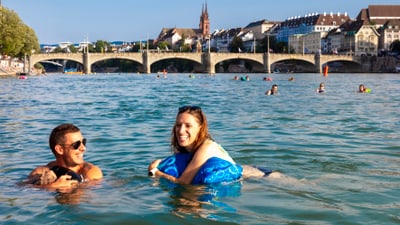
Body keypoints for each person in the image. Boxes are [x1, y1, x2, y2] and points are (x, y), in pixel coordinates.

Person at [148, 106, 281, 185]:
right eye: (178, 125)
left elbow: (183, 182)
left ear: (200, 128)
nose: (181, 130)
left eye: (188, 126)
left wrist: (157, 172)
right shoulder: (188, 150)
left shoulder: (206, 147)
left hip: (265, 176)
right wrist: (157, 162)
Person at [26, 123, 103, 188]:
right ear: (60, 149)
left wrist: (51, 186)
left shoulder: (91, 172)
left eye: (83, 142)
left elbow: (85, 195)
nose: (83, 148)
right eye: (76, 144)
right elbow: (22, 189)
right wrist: (53, 185)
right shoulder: (41, 171)